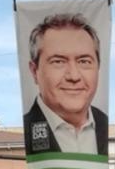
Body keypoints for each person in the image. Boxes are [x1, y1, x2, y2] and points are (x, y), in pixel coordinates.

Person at [24, 13, 108, 156]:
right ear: (34, 71)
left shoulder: (105, 125)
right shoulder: (26, 131)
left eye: (84, 61)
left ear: (98, 68)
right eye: (58, 62)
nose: (74, 76)